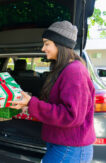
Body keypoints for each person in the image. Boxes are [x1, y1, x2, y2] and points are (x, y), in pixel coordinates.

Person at [9, 21, 95, 163]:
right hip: (62, 144)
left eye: (47, 43)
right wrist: (28, 106)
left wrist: (32, 103)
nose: (43, 48)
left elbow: (70, 116)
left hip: (70, 148)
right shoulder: (64, 69)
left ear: (60, 44)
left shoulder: (75, 71)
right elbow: (57, 106)